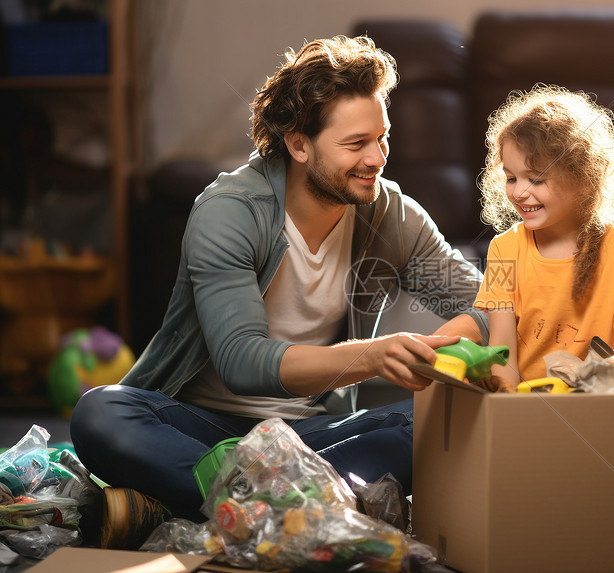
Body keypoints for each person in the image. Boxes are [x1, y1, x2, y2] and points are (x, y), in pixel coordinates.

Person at [69, 35, 488, 544]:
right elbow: (243, 362)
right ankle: (309, 510)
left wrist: (447, 346)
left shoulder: (390, 214)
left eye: (383, 138)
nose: (377, 158)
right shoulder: (229, 213)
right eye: (356, 144)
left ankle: (205, 507)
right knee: (102, 413)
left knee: (434, 417)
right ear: (298, 143)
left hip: (310, 437)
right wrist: (372, 357)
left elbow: (489, 304)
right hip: (200, 431)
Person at [473, 85, 614, 392]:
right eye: (512, 177)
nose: (518, 192)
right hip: (528, 412)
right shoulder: (504, 248)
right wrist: (507, 416)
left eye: (536, 179)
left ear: (582, 179)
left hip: (601, 409)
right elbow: (502, 353)